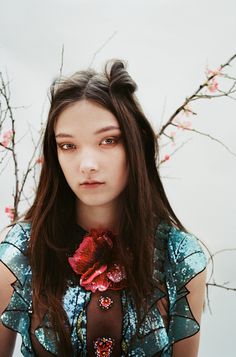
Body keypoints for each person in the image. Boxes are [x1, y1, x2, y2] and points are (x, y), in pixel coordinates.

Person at [0, 60, 207, 357]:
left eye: (108, 140)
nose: (87, 165)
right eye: (68, 146)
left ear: (135, 145)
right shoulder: (20, 252)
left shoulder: (179, 256)